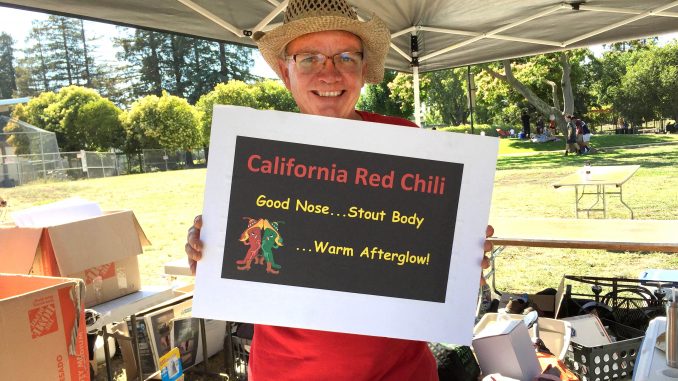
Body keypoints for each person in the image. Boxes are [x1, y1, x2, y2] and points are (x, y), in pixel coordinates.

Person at [185, 0, 492, 379]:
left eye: (346, 57)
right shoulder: (256, 153)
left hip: (399, 372)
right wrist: (208, 249)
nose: (329, 74)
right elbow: (237, 273)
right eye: (309, 58)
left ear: (363, 70)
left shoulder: (406, 143)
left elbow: (435, 254)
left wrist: (461, 259)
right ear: (286, 71)